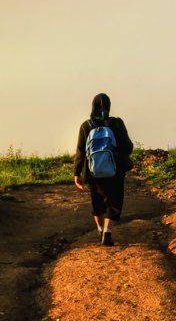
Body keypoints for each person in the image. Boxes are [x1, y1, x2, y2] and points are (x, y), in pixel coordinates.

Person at [73, 92, 133, 246]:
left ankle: (100, 229)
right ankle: (107, 232)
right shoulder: (117, 123)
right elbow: (127, 147)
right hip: (115, 171)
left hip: (93, 172)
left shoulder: (86, 126)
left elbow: (80, 151)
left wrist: (77, 173)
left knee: (97, 202)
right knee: (114, 201)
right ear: (109, 106)